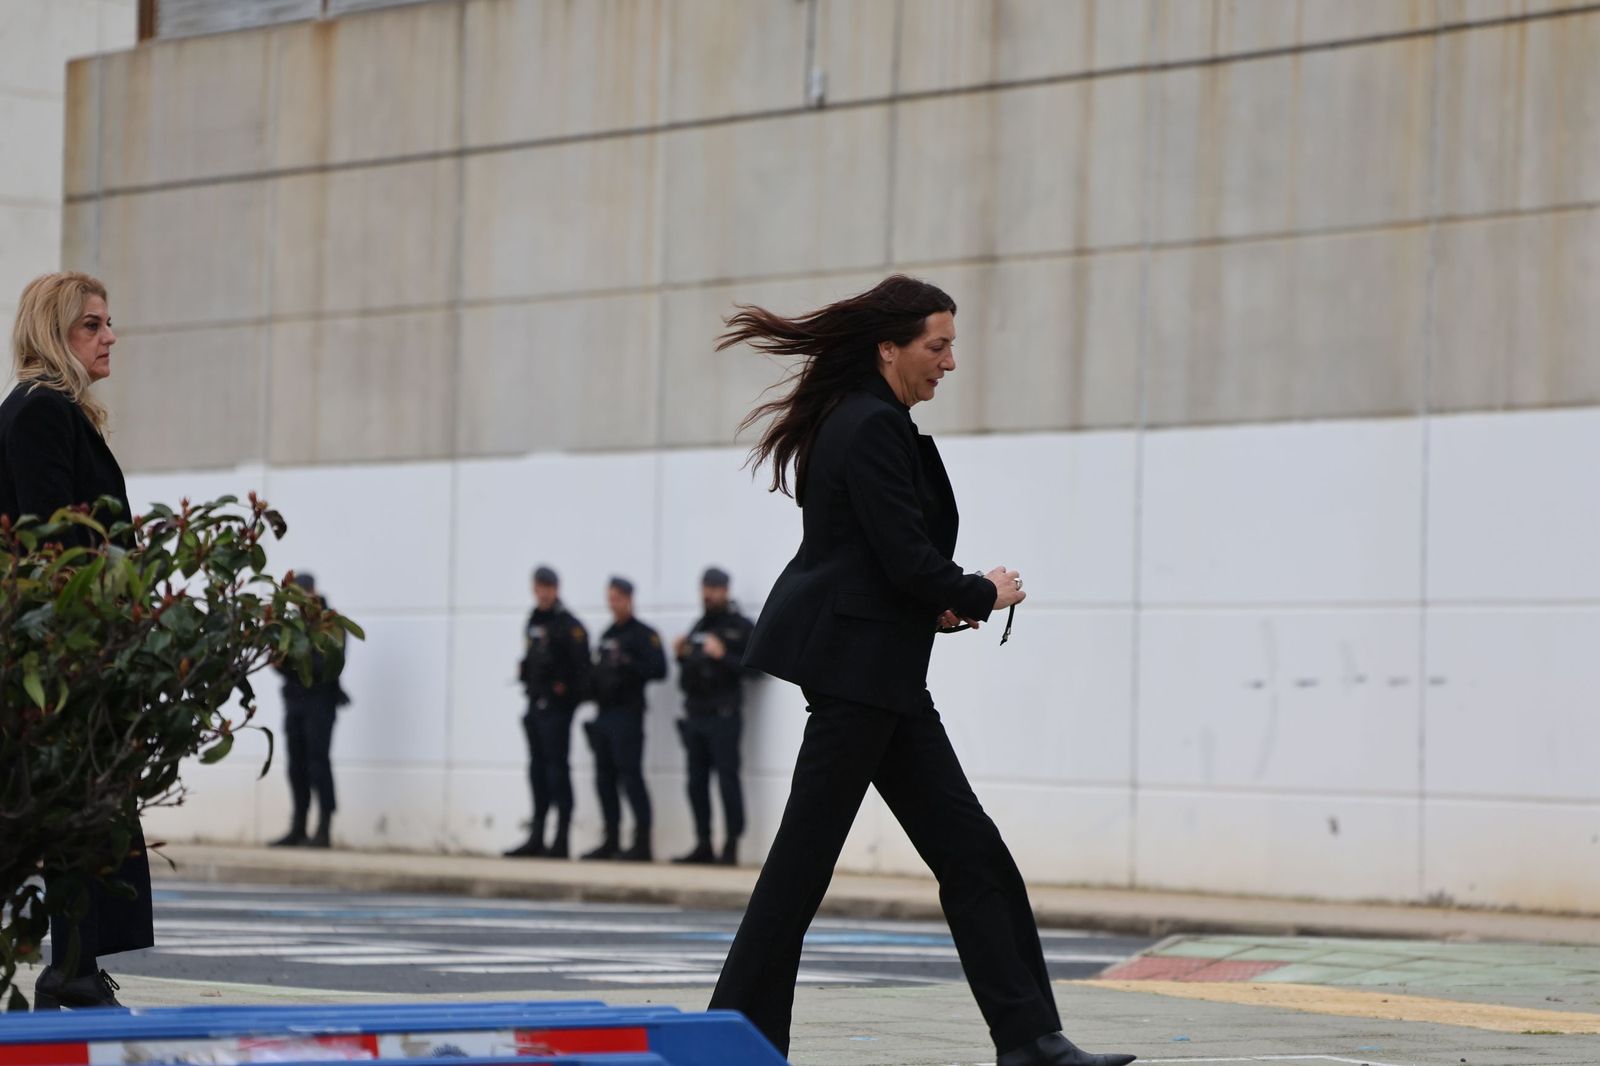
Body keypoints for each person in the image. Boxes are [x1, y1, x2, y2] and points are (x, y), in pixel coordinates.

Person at [706, 276, 1136, 1066]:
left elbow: (872, 557)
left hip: (880, 674)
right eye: (937, 346)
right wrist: (981, 591)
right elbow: (904, 556)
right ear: (889, 348)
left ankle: (1032, 1041)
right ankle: (735, 1042)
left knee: (969, 857)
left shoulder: (866, 419)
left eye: (950, 345)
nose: (950, 362)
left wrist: (932, 608)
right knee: (805, 874)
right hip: (860, 675)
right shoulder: (870, 425)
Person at [0, 272, 148, 1009]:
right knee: (81, 802)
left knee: (86, 803)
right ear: (54, 334)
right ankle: (73, 971)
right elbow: (49, 533)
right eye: (92, 324)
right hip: (65, 646)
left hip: (78, 640)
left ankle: (79, 967)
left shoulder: (59, 412)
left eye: (109, 322)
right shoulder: (40, 411)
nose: (110, 335)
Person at [671, 566, 755, 866]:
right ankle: (703, 842)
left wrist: (723, 655)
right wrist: (681, 655)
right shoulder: (698, 627)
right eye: (705, 588)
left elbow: (757, 669)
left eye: (714, 588)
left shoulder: (740, 626)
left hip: (724, 716)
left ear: (726, 590)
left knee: (727, 780)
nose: (708, 594)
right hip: (696, 716)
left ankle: (731, 845)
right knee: (696, 783)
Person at [505, 566, 591, 859]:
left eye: (548, 586)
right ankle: (537, 835)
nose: (543, 592)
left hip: (557, 712)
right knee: (537, 772)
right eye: (538, 586)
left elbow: (582, 672)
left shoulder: (569, 626)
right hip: (535, 707)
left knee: (557, 772)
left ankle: (561, 838)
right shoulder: (533, 621)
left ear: (556, 588)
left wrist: (564, 694)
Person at [581, 576, 667, 862]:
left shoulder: (643, 635)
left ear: (629, 598)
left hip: (628, 715)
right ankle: (611, 840)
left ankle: (642, 843)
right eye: (610, 599)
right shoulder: (607, 635)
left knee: (631, 777)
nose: (613, 604)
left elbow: (659, 670)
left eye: (617, 598)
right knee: (604, 778)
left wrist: (629, 663)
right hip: (604, 715)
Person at [268, 573, 349, 849]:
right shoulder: (292, 626)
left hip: (321, 703)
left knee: (318, 764)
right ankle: (298, 827)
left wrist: (289, 662)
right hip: (295, 703)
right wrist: (281, 663)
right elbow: (288, 667)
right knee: (295, 767)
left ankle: (324, 829)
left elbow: (325, 667)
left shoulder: (330, 624)